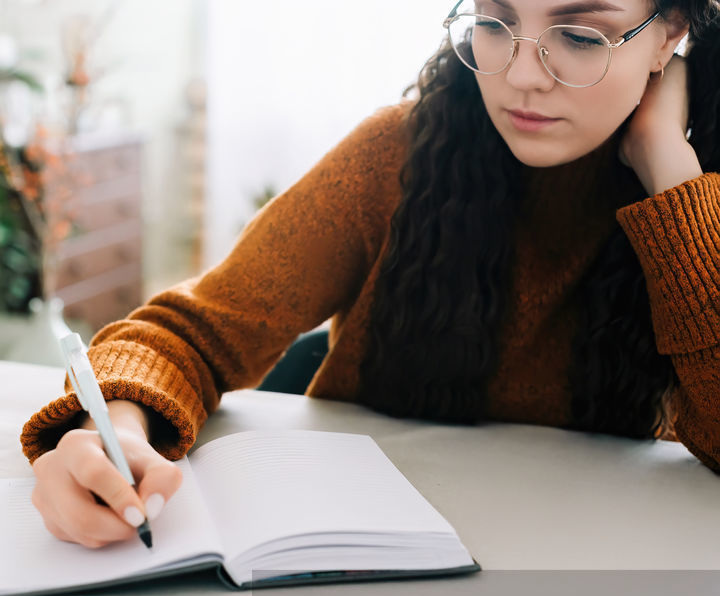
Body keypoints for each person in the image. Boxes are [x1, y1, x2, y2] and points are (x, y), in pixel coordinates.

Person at [21, 0, 720, 549]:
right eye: (495, 22)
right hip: (356, 578)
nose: (521, 73)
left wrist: (669, 178)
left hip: (590, 586)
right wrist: (111, 429)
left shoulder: (697, 195)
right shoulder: (400, 157)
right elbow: (189, 332)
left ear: (669, 35)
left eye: (582, 36)